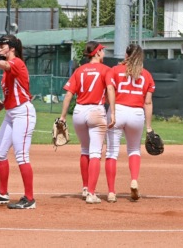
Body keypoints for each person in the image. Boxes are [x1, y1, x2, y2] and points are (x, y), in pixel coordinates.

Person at [0, 34, 37, 209]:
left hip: (23, 113)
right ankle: (3, 193)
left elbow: (6, 65)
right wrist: (0, 105)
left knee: (21, 155)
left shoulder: (17, 62)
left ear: (12, 48)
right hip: (11, 113)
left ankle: (29, 199)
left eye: (2, 46)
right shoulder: (7, 71)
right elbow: (12, 91)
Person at [58, 41, 116, 204]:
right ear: (97, 53)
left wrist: (63, 116)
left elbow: (69, 94)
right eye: (102, 51)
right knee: (95, 153)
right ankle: (91, 193)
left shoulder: (79, 70)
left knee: (85, 150)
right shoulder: (106, 70)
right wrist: (113, 111)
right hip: (96, 111)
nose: (103, 53)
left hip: (78, 112)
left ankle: (85, 188)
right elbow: (110, 89)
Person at [104, 44, 156, 202]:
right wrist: (148, 127)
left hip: (118, 110)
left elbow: (108, 93)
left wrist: (112, 112)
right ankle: (134, 180)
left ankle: (112, 192)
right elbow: (147, 103)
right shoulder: (146, 75)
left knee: (111, 152)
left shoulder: (115, 70)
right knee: (134, 150)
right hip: (136, 114)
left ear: (126, 55)